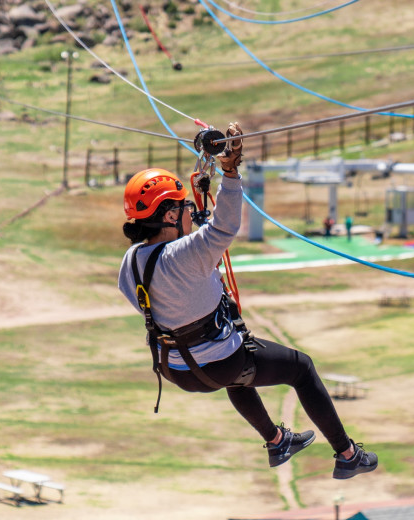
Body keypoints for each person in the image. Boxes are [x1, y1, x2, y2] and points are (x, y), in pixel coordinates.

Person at [117, 123, 377, 478]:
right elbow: (223, 228)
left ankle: (276, 441)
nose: (191, 214)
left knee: (239, 373)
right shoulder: (186, 254)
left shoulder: (130, 262)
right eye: (184, 208)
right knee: (302, 369)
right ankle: (347, 455)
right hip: (219, 362)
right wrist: (230, 172)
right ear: (169, 215)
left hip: (176, 369)